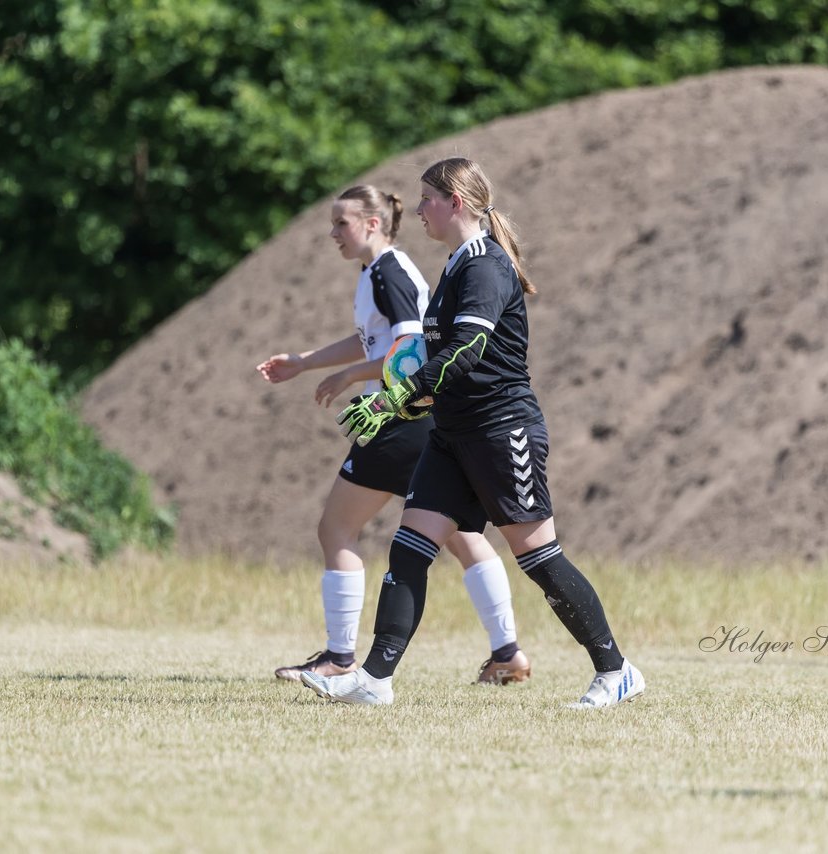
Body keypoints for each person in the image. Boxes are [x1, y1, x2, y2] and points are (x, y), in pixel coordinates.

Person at [299, 158, 644, 709]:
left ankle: (616, 669)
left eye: (426, 200)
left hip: (501, 431)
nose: (416, 211)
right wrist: (402, 394)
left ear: (454, 202)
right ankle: (373, 680)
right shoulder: (456, 264)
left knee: (539, 558)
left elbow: (466, 351)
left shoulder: (485, 266)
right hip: (452, 435)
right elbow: (433, 351)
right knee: (409, 549)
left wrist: (397, 397)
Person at [256, 184, 532, 686]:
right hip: (425, 415)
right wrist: (307, 363)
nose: (333, 233)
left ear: (372, 224)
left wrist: (360, 381)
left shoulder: (390, 272)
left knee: (335, 530)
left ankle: (339, 658)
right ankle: (507, 652)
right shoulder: (376, 272)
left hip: (399, 416)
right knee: (462, 536)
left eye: (342, 223)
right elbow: (374, 340)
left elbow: (407, 347)